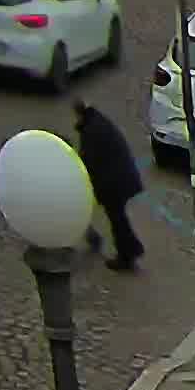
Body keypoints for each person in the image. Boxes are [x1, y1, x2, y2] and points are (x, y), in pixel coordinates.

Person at [72, 101, 148, 269]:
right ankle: (130, 250)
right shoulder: (97, 123)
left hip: (115, 184)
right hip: (120, 179)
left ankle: (129, 253)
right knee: (118, 218)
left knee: (117, 219)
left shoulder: (91, 131)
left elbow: (88, 160)